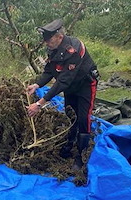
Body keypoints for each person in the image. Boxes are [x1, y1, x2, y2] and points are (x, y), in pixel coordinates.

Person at [26, 19, 99, 169]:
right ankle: (69, 145)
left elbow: (63, 81)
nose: (46, 43)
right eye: (45, 40)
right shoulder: (52, 49)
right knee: (70, 114)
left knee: (83, 118)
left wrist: (40, 103)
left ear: (59, 36)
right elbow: (49, 71)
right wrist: (37, 84)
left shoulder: (75, 49)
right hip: (71, 86)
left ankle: (81, 155)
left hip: (85, 84)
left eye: (49, 39)